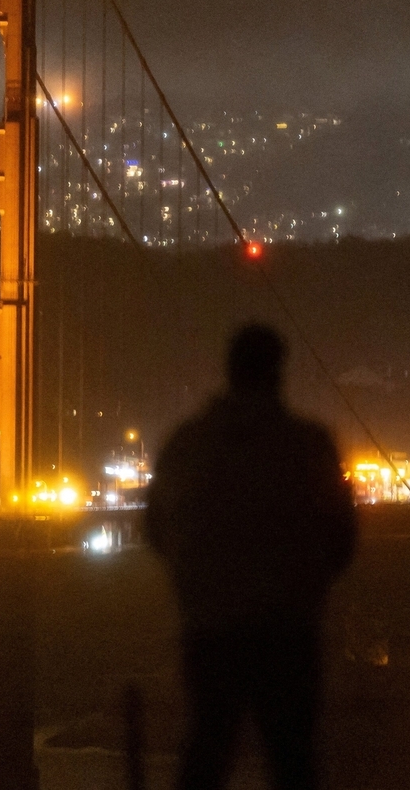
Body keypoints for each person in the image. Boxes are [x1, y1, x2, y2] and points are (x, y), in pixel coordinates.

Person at [146, 323, 357, 790]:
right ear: (279, 371)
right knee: (294, 760)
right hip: (288, 630)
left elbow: (155, 530)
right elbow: (342, 538)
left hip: (210, 629)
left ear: (229, 370)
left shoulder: (188, 443)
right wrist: (305, 585)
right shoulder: (307, 444)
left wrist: (199, 583)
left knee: (206, 753)